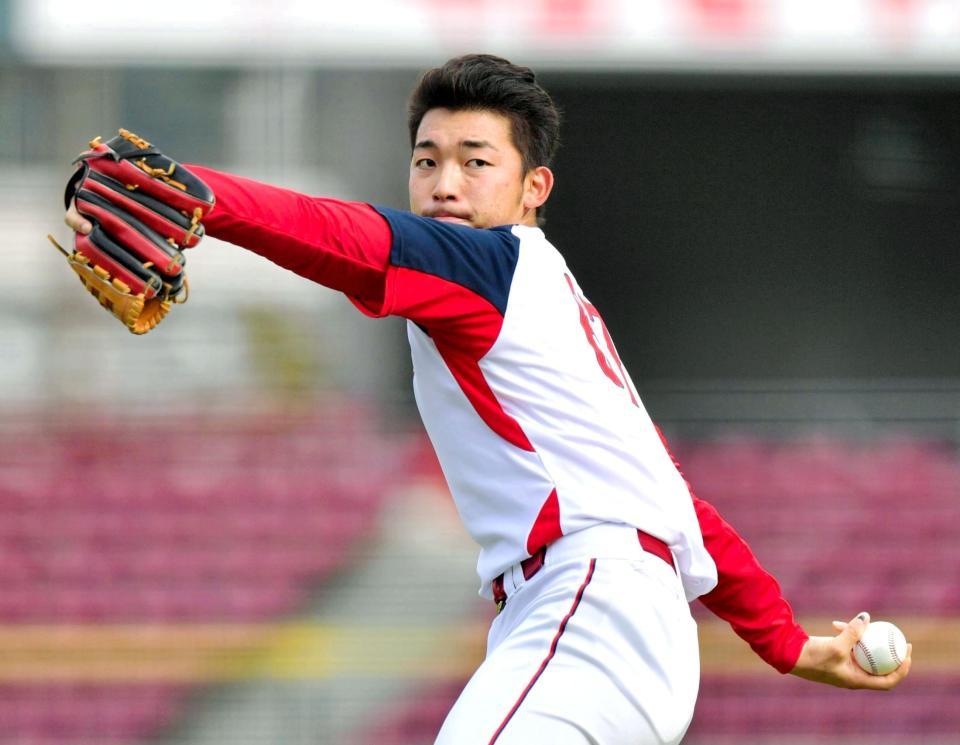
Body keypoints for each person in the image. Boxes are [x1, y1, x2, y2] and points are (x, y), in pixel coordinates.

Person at [64, 54, 911, 744]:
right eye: (428, 159)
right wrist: (787, 640)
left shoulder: (493, 265)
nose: (445, 182)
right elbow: (678, 505)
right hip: (613, 624)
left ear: (532, 188)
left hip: (587, 607)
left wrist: (207, 198)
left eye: (476, 161)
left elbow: (347, 237)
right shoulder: (556, 309)